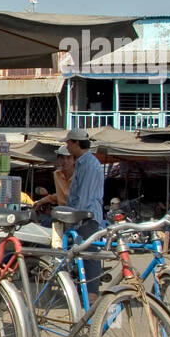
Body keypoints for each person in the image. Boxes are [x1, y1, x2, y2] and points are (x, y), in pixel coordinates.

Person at [64, 127, 105, 298]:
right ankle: (85, 292)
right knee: (83, 254)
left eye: (68, 143)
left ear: (76, 143)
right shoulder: (82, 162)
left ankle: (92, 293)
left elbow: (84, 198)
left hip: (87, 217)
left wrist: (73, 219)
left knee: (90, 254)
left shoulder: (88, 164)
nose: (67, 147)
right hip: (82, 215)